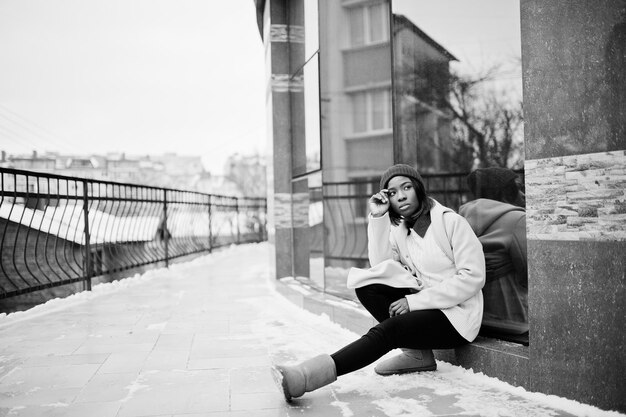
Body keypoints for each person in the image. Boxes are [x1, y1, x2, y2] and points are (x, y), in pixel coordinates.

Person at [272, 164, 486, 402]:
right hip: (424, 306)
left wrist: (413, 301)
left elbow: (472, 277)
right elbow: (381, 267)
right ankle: (418, 355)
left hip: (457, 316)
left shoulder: (450, 223)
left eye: (406, 187)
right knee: (368, 286)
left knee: (388, 331)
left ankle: (305, 376)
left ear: (418, 189)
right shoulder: (402, 230)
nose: (401, 196)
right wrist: (378, 217)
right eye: (392, 193)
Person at [459, 167, 528, 341]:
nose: (523, 194)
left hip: (476, 314)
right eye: (518, 188)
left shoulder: (461, 219)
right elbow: (530, 273)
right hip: (510, 315)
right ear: (504, 192)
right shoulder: (517, 220)